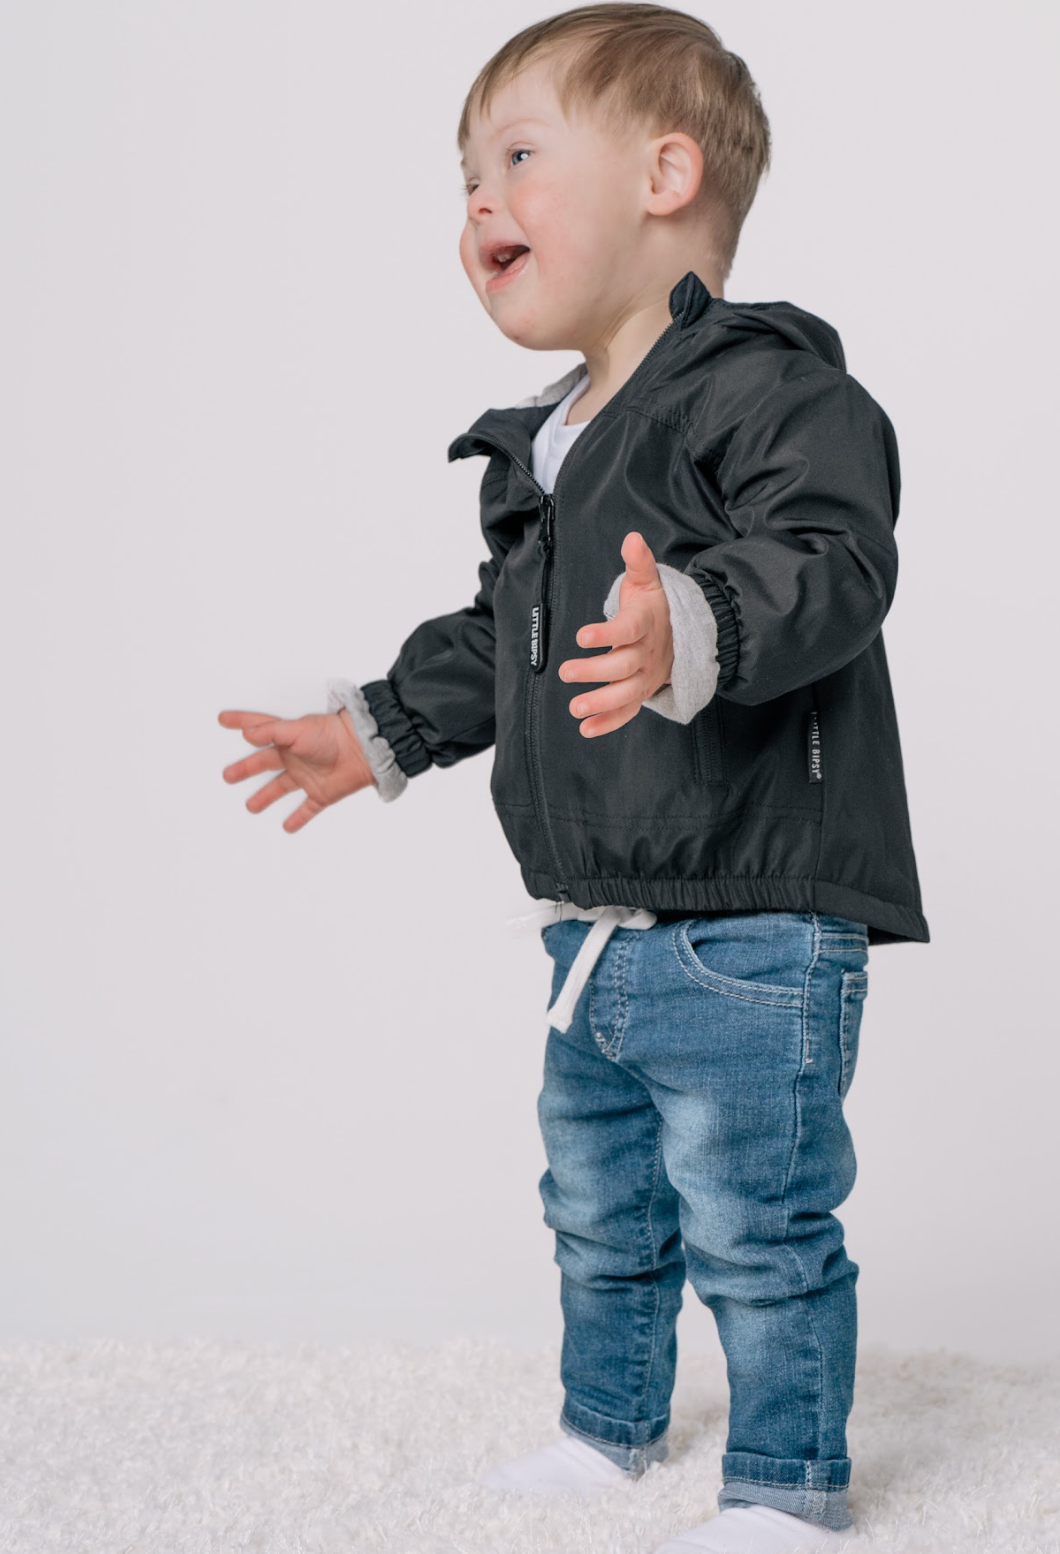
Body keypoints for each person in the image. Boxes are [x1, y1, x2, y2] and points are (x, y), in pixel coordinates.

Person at [218, 6, 929, 1550]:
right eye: (463, 178)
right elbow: (501, 640)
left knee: (756, 1222)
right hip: (592, 927)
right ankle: (607, 1428)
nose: (477, 204)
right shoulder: (545, 449)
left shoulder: (768, 387)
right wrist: (377, 730)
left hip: (750, 914)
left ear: (667, 173)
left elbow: (833, 559)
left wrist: (694, 618)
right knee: (600, 1208)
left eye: (517, 160)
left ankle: (790, 1482)